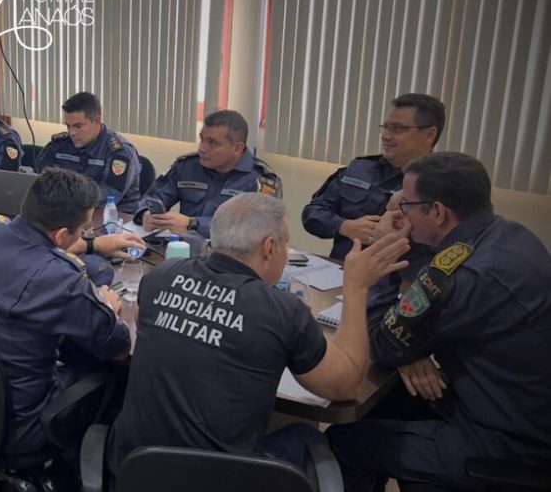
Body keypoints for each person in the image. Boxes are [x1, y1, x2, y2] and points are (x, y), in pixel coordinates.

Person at [108, 193, 411, 474]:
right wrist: (356, 289)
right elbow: (345, 386)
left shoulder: (160, 277)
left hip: (134, 467)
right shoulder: (281, 310)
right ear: (269, 247)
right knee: (309, 438)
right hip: (220, 479)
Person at [326, 152, 551, 491]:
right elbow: (416, 328)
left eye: (407, 205)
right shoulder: (509, 235)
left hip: (503, 445)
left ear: (439, 212)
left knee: (342, 441)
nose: (400, 213)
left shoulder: (464, 275)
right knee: (383, 404)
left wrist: (387, 248)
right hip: (515, 410)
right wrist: (411, 347)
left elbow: (381, 345)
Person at [0, 168, 133, 458]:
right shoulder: (61, 279)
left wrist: (86, 244)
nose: (84, 236)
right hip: (20, 424)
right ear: (60, 235)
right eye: (82, 231)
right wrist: (108, 307)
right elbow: (116, 346)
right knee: (117, 378)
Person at [302, 93, 446, 260]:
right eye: (385, 127)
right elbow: (312, 213)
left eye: (398, 129)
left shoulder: (444, 185)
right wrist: (345, 226)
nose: (386, 136)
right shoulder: (360, 169)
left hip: (402, 283)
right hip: (341, 274)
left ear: (429, 134)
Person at [134, 110, 281, 238]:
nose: (202, 149)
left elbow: (256, 228)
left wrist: (193, 224)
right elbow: (152, 197)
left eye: (212, 143)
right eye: (202, 139)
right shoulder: (187, 167)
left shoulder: (260, 180)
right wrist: (145, 214)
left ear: (237, 148)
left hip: (232, 259)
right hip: (184, 251)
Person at [35, 92, 142, 213]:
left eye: (78, 126)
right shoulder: (61, 144)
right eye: (68, 126)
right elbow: (42, 176)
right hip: (67, 213)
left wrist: (70, 197)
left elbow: (111, 194)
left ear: (97, 120)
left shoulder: (119, 152)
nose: (72, 133)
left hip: (113, 217)